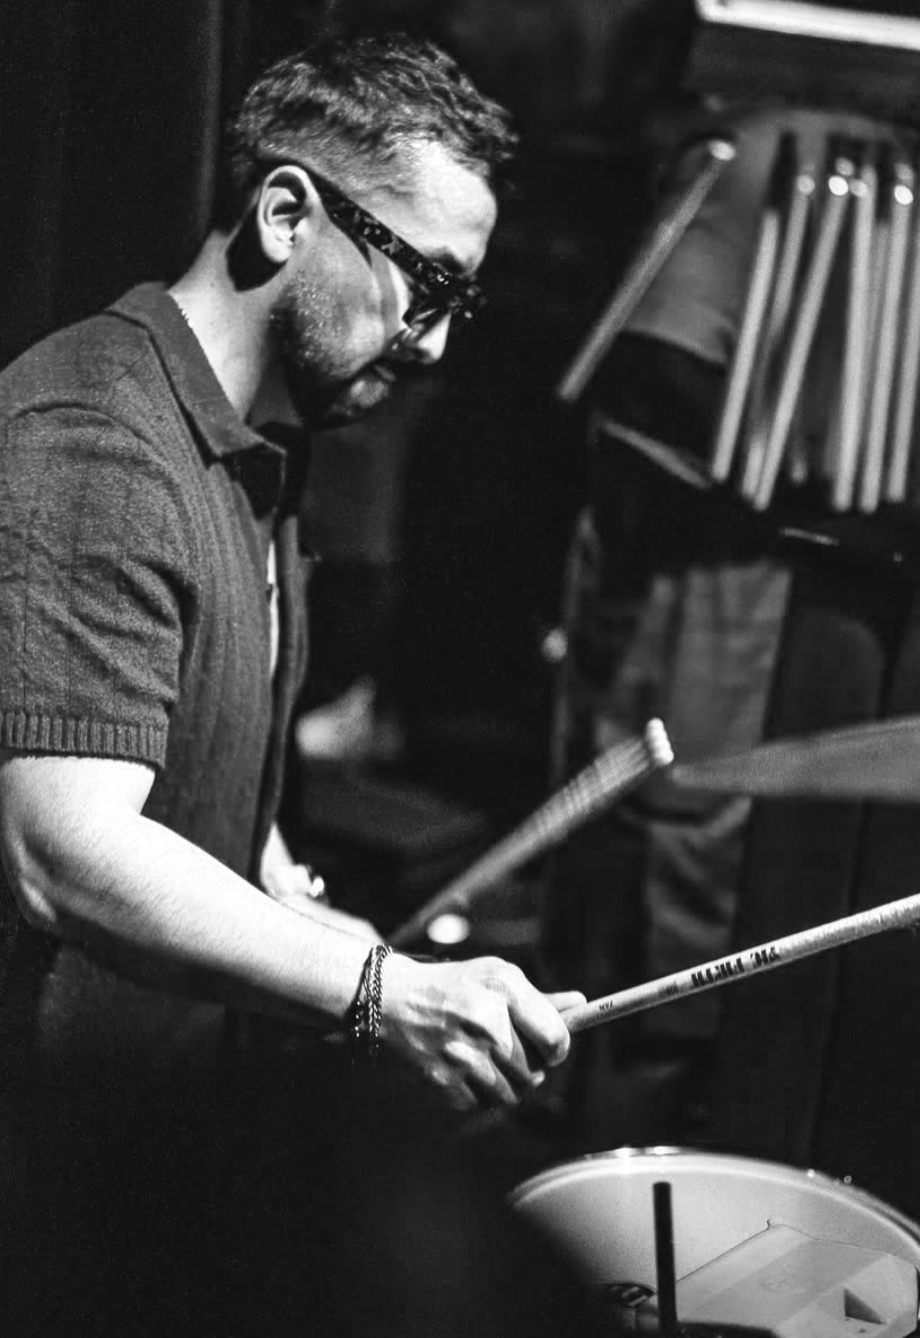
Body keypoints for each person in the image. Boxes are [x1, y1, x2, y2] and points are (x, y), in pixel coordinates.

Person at [0, 32, 584, 1328]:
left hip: (150, 1160)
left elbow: (211, 808)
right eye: (424, 285)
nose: (434, 346)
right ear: (284, 212)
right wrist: (386, 992)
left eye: (459, 306)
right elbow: (66, 845)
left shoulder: (260, 453)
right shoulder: (98, 438)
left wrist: (387, 970)